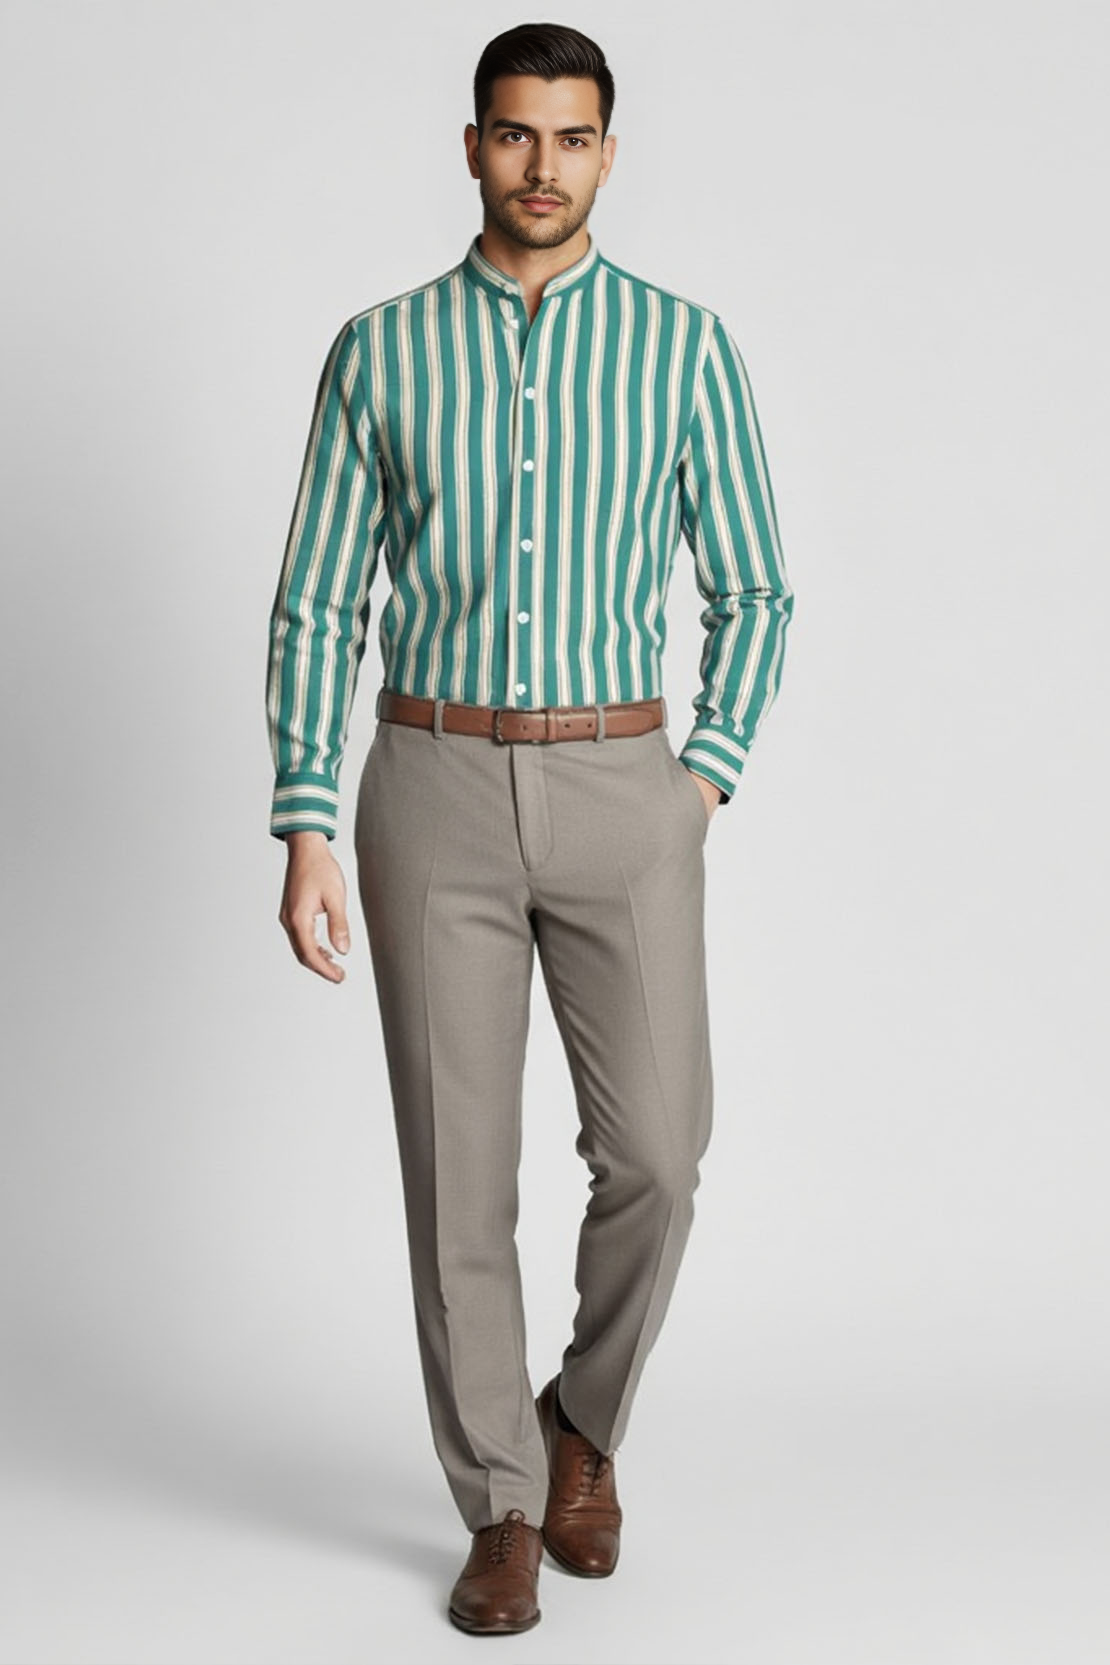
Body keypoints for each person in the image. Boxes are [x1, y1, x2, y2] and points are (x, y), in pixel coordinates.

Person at [264, 21, 794, 1637]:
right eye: (513, 134)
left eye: (570, 138)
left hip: (622, 785)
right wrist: (306, 821)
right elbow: (317, 603)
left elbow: (755, 588)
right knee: (456, 1180)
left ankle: (580, 1422)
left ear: (607, 154)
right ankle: (498, 1500)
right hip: (430, 786)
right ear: (472, 145)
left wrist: (698, 782)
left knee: (658, 1160)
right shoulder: (380, 350)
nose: (540, 166)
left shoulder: (684, 347)